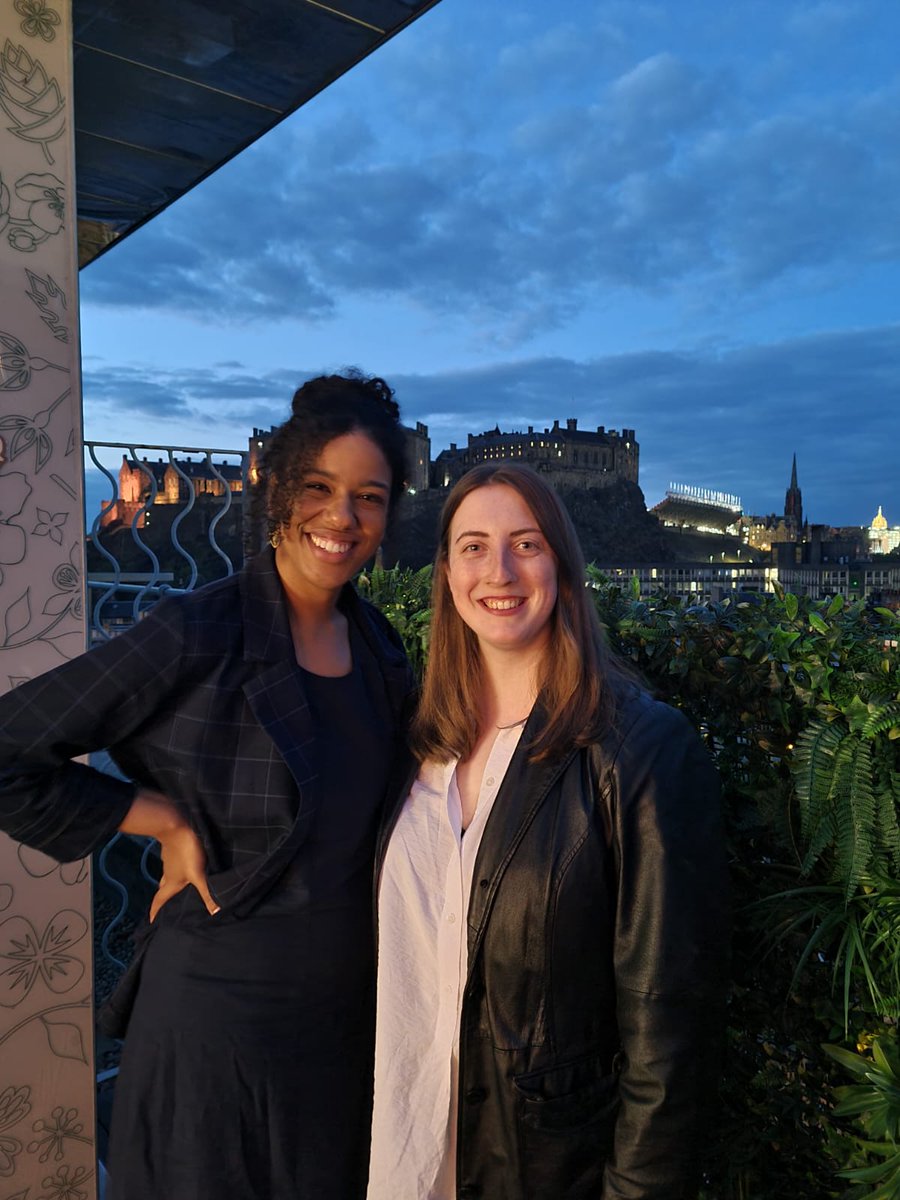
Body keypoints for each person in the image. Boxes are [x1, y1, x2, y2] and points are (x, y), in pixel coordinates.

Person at [0, 373, 415, 1200]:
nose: (344, 518)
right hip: (216, 1025)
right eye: (321, 489)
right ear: (279, 494)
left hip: (344, 1032)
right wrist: (153, 817)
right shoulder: (200, 630)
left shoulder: (380, 649)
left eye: (369, 497)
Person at [367, 462, 729, 1200]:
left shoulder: (639, 750)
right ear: (444, 573)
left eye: (525, 544)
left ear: (562, 566)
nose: (497, 569)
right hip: (400, 1155)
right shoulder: (413, 745)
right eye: (473, 546)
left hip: (537, 1170)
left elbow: (668, 1031)